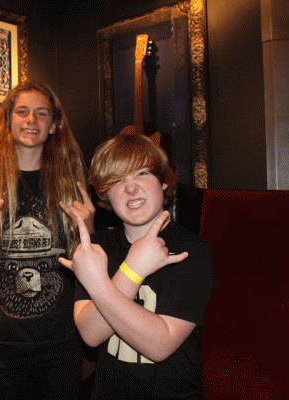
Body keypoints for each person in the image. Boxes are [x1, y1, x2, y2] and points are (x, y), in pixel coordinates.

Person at [0, 81, 95, 400]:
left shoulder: (71, 185)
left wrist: (88, 231)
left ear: (53, 125)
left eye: (41, 113)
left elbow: (89, 271)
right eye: (22, 112)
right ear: (8, 121)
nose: (31, 120)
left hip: (61, 343)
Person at [59, 132, 214, 400]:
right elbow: (91, 333)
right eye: (117, 180)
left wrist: (120, 275)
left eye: (142, 173)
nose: (131, 188)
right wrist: (133, 268)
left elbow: (161, 344)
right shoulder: (96, 247)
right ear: (105, 193)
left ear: (163, 181)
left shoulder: (193, 250)